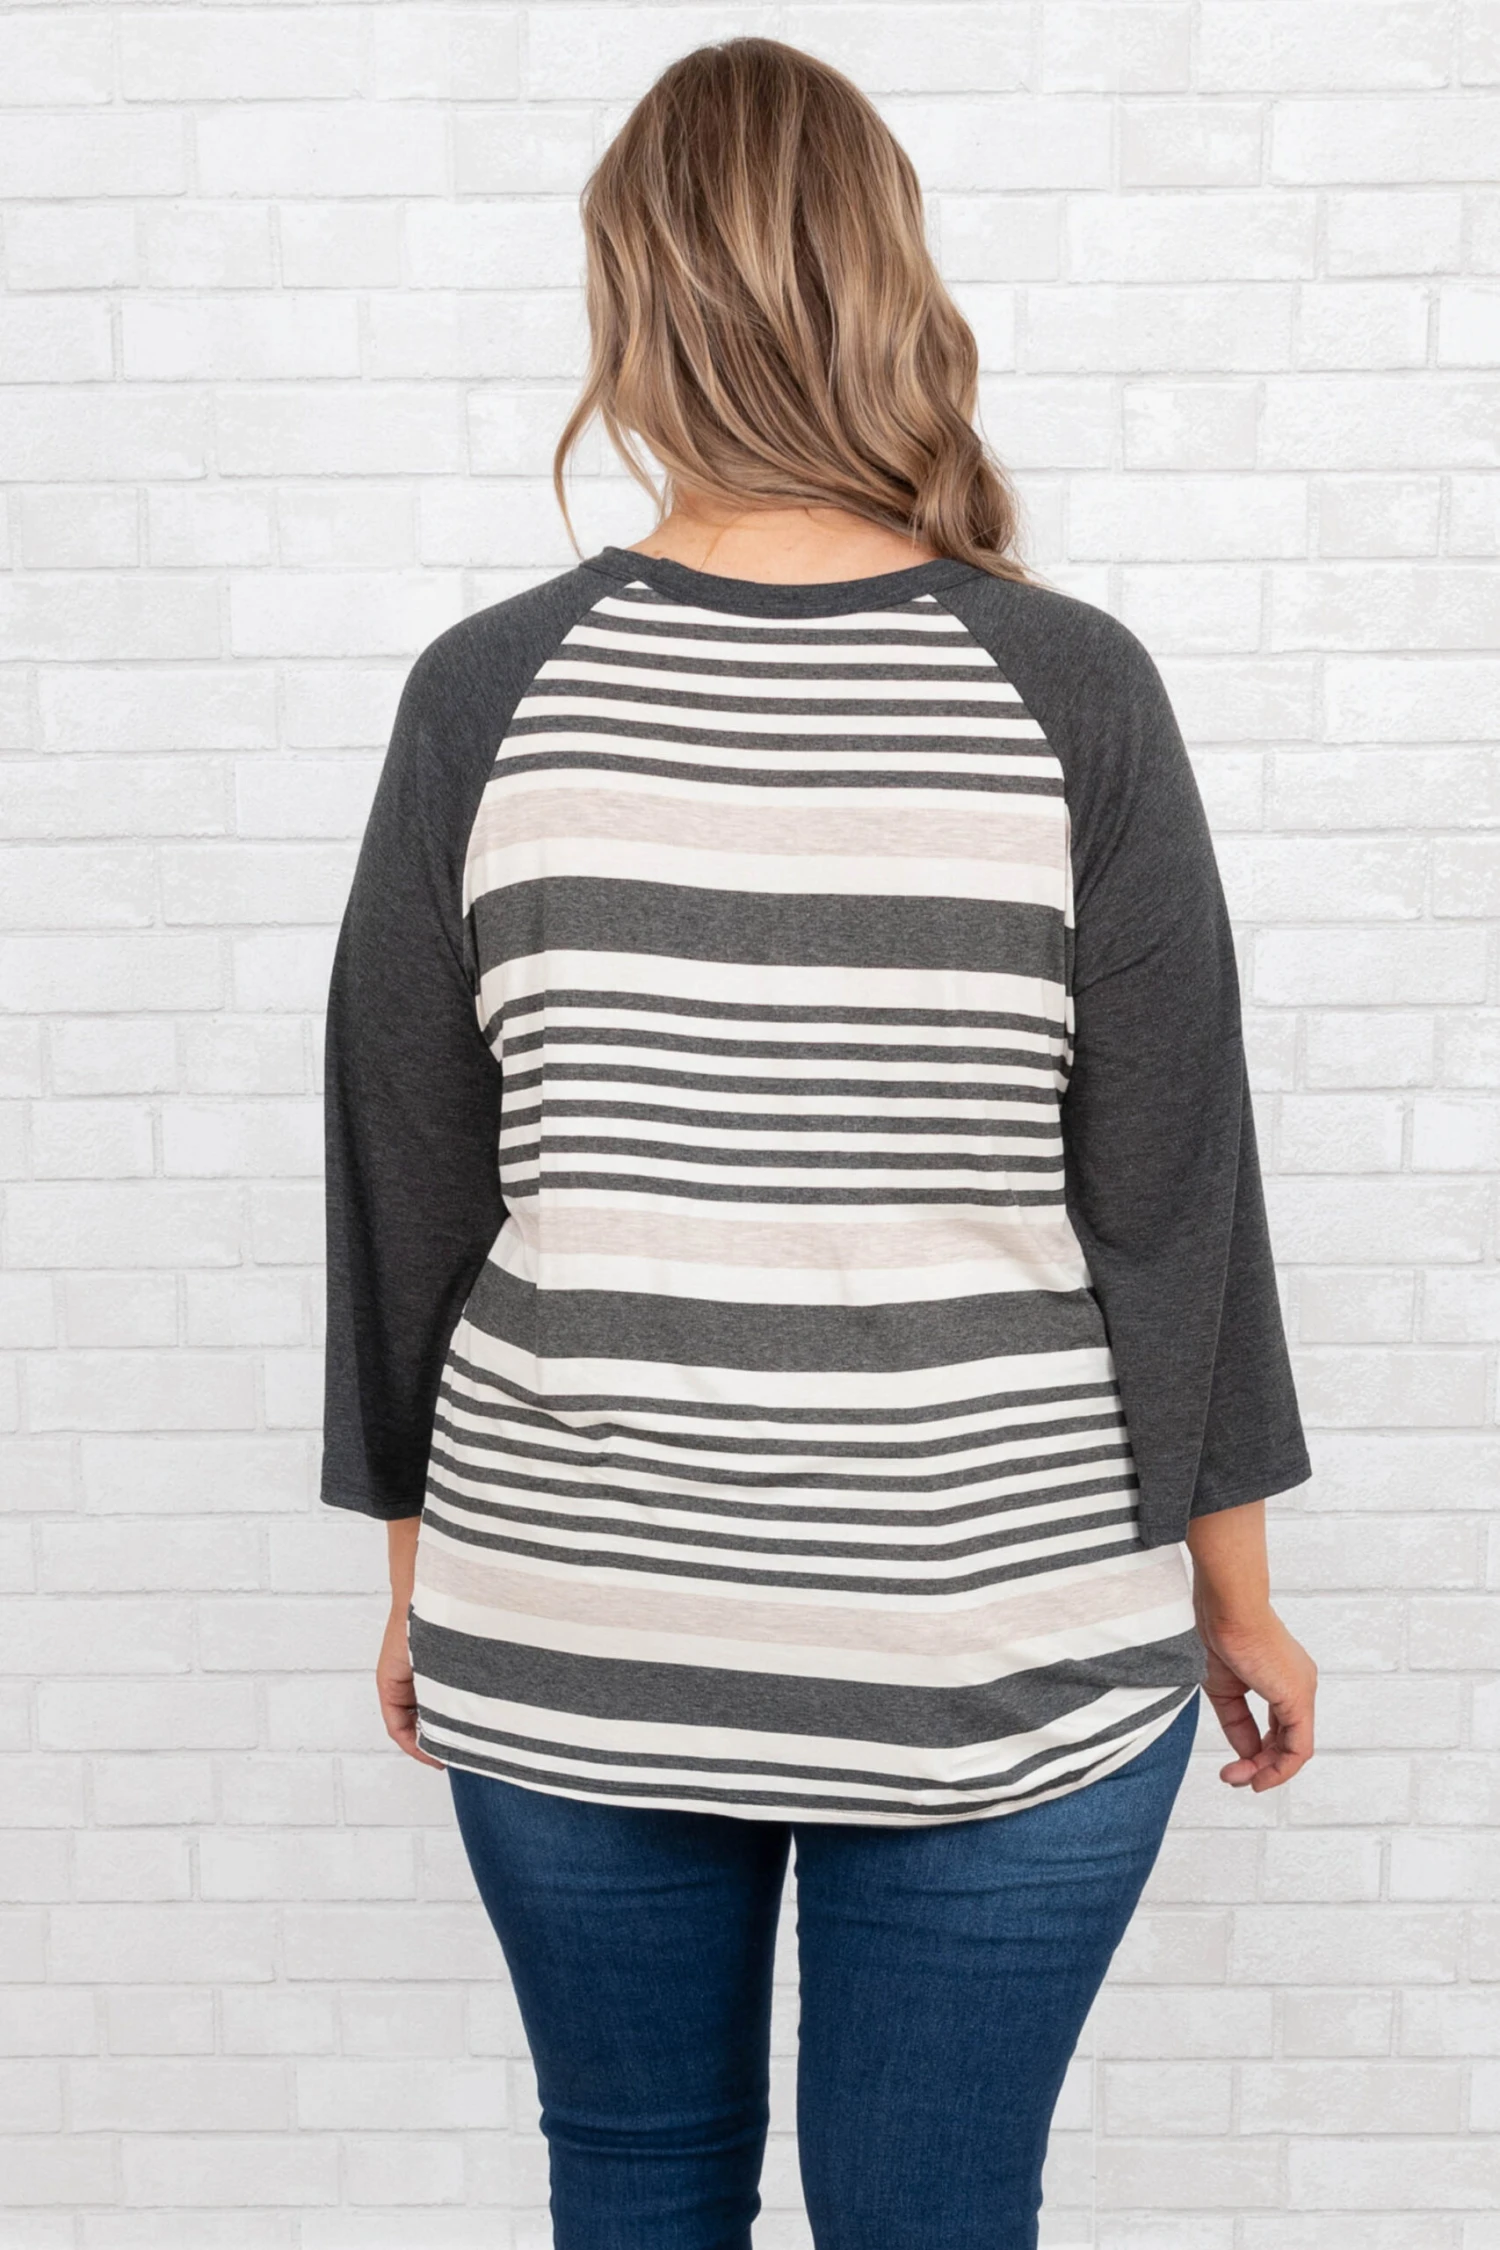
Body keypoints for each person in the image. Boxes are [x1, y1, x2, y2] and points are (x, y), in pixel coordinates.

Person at [320, 35, 1317, 2250]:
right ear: (890, 284)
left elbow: (408, 1188)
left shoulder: (489, 696)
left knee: (636, 2183)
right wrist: (1237, 1593)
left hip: (573, 1606)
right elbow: (1175, 1195)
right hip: (1006, 1625)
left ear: (631, 301)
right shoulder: (1069, 688)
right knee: (932, 2212)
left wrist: (419, 1582)